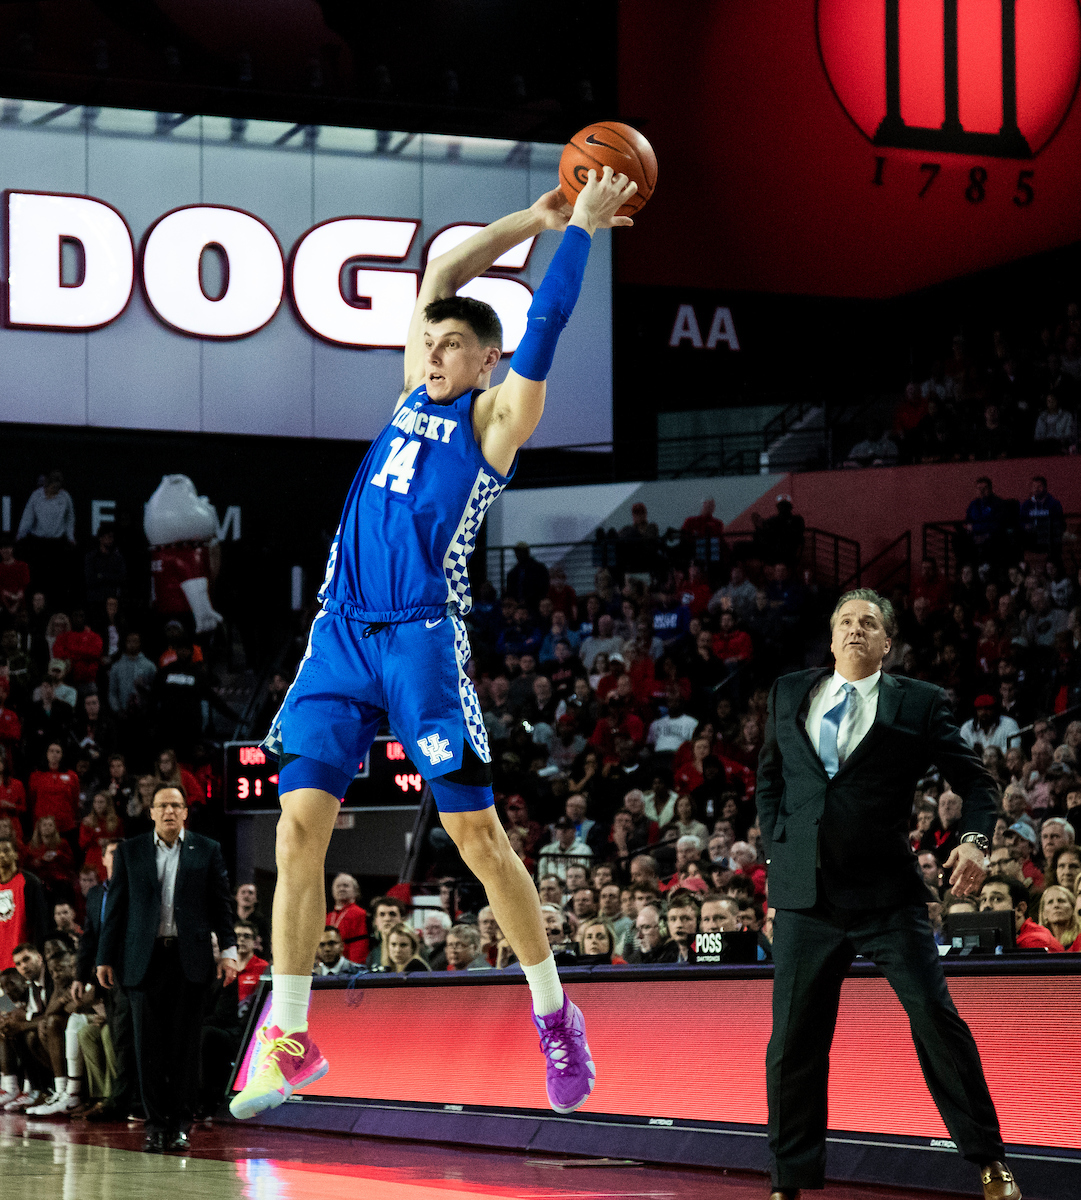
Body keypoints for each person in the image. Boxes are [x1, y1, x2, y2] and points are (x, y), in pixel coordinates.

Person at [232, 173, 633, 1125]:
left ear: (489, 362)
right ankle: (289, 1035)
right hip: (339, 630)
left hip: (419, 639)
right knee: (295, 830)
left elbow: (549, 324)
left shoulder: (497, 422)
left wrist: (576, 233)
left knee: (478, 839)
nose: (436, 346)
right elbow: (447, 269)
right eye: (433, 338)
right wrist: (527, 221)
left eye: (457, 342)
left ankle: (553, 1014)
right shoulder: (416, 384)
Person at [757, 588, 1017, 1200]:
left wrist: (975, 841)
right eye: (844, 621)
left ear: (886, 642)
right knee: (793, 1042)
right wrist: (779, 845)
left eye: (867, 622)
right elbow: (770, 777)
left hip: (886, 896)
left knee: (935, 1019)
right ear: (830, 637)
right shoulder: (789, 690)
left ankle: (990, 1160)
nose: (854, 629)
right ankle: (788, 1181)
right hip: (805, 899)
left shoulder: (920, 703)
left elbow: (977, 785)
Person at [97, 782, 238, 1152]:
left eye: (177, 805)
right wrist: (104, 957)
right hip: (143, 961)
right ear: (152, 812)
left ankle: (180, 1126)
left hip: (188, 960)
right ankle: (155, 1125)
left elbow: (221, 906)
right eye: (163, 806)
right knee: (148, 1048)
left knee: (185, 1048)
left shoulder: (207, 850)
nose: (170, 811)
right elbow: (116, 909)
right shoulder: (130, 851)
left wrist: (229, 951)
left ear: (186, 812)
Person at [71, 836, 137, 1121]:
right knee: (116, 1034)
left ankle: (124, 1100)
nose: (119, 856)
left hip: (129, 973)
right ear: (104, 859)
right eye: (113, 852)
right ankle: (112, 1097)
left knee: (123, 1036)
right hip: (104, 975)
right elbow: (90, 938)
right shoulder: (97, 894)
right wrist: (79, 976)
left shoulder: (137, 889)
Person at [978, 877, 1064, 952]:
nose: (987, 905)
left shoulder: (1035, 942)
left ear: (1019, 909)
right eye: (983, 899)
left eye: (997, 899)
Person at [0, 837, 48, 969]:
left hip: (24, 962)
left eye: (6, 851)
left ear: (15, 854)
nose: (1, 855)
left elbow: (40, 923)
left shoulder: (29, 883)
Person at [325, 873, 369, 964]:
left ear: (356, 891)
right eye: (338, 886)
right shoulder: (328, 917)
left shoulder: (360, 914)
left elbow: (360, 945)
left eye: (346, 886)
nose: (341, 889)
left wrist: (353, 967)